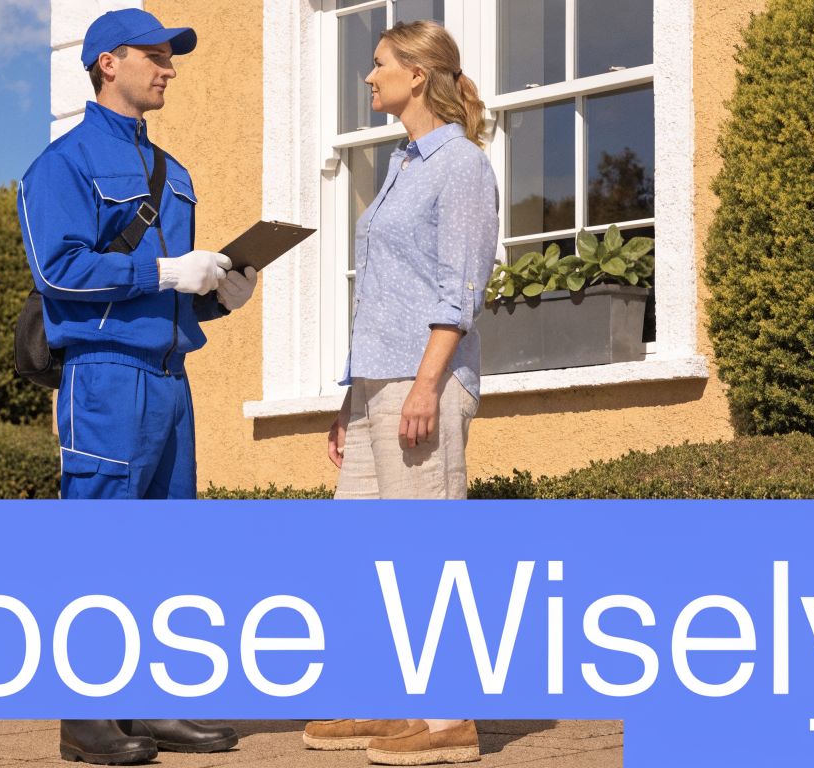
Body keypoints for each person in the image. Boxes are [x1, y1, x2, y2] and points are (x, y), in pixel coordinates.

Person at [15, 8, 252, 765]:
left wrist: (218, 291)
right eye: (154, 56)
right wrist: (159, 271)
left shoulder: (173, 171)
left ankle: (149, 704)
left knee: (165, 553)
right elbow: (58, 270)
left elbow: (173, 286)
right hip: (106, 378)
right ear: (106, 63)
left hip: (170, 376)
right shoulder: (63, 164)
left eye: (170, 56)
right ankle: (84, 719)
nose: (169, 68)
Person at [302, 19, 498, 767]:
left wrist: (425, 383)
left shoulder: (462, 166)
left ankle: (448, 719)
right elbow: (383, 292)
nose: (368, 76)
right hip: (376, 384)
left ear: (417, 74)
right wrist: (348, 400)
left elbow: (458, 289)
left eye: (379, 64)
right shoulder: (402, 163)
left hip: (426, 383)